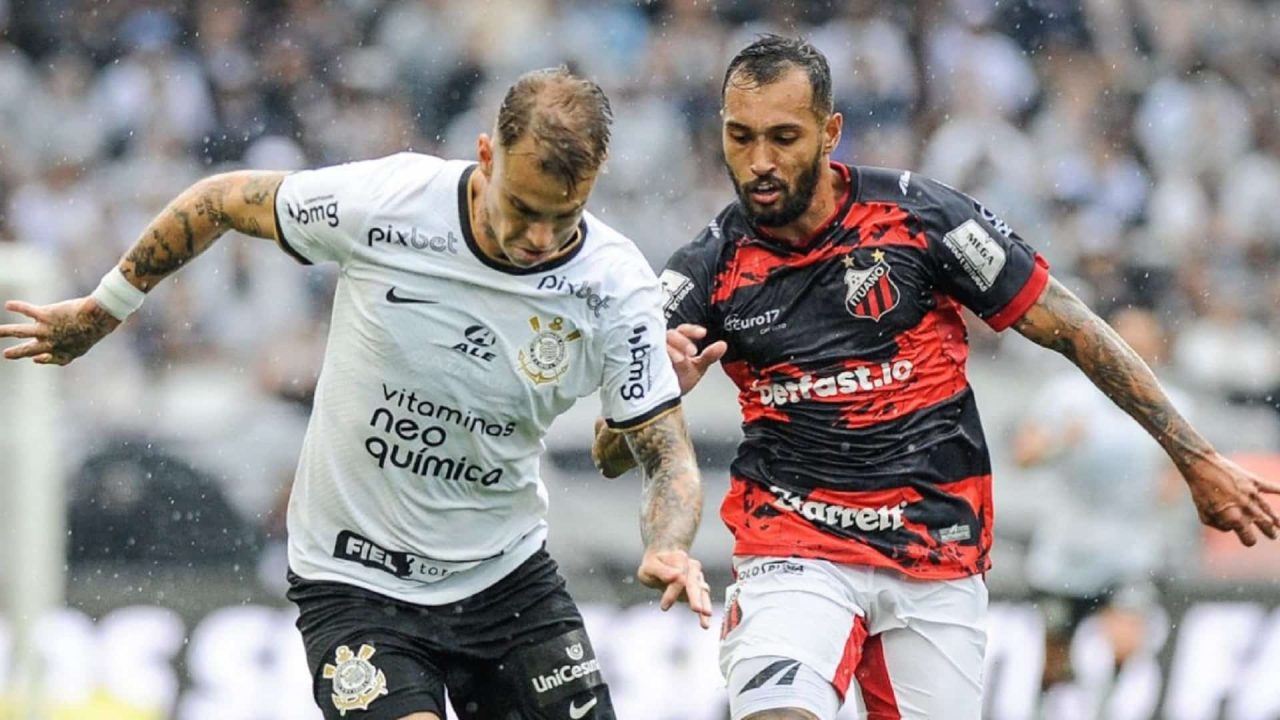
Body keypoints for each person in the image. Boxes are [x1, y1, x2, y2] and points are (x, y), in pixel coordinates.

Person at [592, 35, 1280, 720]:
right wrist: (659, 388)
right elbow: (609, 450)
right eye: (740, 138)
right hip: (794, 545)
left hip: (935, 546)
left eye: (784, 137)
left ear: (831, 131)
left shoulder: (922, 220)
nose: (760, 163)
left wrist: (1196, 459)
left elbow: (1072, 327)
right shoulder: (705, 269)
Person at [1, 67, 713, 720]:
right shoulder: (390, 202)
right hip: (356, 579)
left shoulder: (615, 282)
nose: (538, 236)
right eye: (522, 207)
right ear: (486, 155)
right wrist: (103, 309)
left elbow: (658, 455)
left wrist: (671, 544)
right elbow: (218, 199)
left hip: (506, 578)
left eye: (563, 216)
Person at [1012, 307, 1190, 713]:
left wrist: (1174, 483)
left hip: (1129, 551)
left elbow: (1175, 481)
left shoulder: (1172, 406)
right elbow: (1024, 455)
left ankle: (1105, 707)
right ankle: (1047, 702)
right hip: (1066, 549)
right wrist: (1062, 440)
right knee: (1055, 654)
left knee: (1126, 641)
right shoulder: (1067, 395)